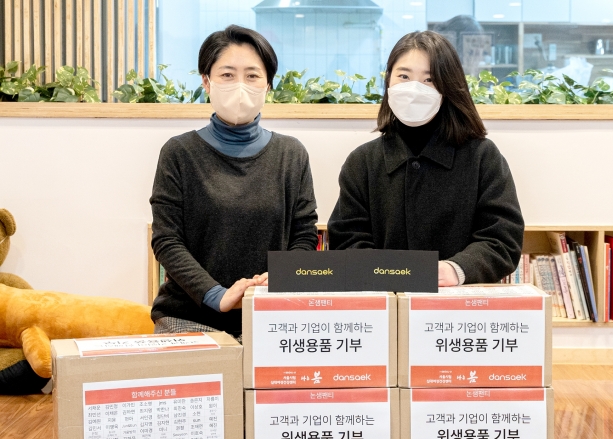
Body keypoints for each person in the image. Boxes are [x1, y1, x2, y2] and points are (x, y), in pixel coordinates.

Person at [150, 25, 318, 339]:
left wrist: (279, 279)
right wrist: (216, 295)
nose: (240, 85)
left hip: (272, 316)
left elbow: (305, 236)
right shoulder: (179, 152)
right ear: (206, 82)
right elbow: (167, 240)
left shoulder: (291, 154)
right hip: (189, 317)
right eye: (227, 75)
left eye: (252, 75)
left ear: (268, 85)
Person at [328, 31, 523, 286]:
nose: (414, 89)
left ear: (448, 86)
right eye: (404, 76)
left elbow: (502, 239)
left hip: (458, 301)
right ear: (388, 81)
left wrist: (456, 270)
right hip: (384, 298)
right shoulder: (362, 161)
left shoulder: (482, 157)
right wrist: (391, 274)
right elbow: (346, 240)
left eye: (429, 79)